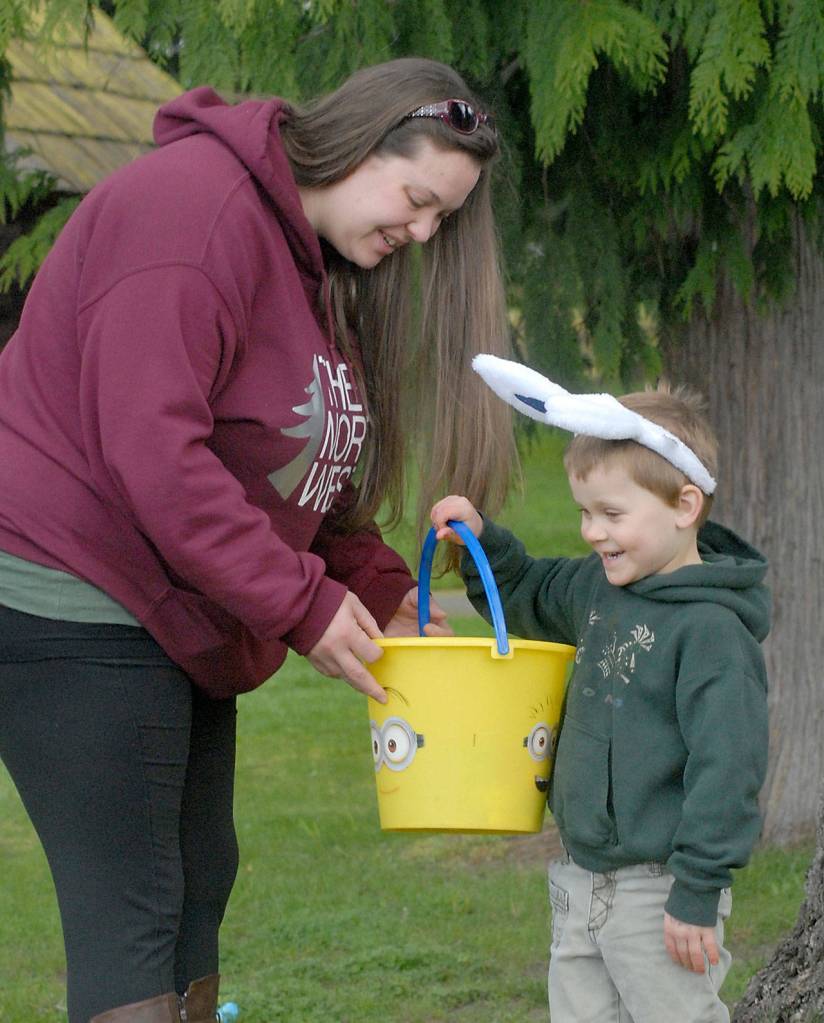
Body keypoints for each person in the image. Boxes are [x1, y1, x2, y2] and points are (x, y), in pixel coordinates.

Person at [0, 58, 516, 1022]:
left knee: (200, 885)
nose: (422, 232)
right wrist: (303, 605)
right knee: (135, 916)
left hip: (178, 608)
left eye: (442, 217)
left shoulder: (315, 266)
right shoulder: (191, 215)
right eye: (416, 199)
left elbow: (302, 480)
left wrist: (379, 585)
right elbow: (155, 454)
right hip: (69, 591)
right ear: (361, 144)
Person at [431, 355, 770, 1023]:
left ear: (685, 505)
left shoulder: (711, 632)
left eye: (611, 513)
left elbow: (728, 768)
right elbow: (527, 590)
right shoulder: (595, 586)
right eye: (585, 512)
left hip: (662, 889)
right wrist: (480, 537)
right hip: (579, 877)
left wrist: (698, 889)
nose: (591, 531)